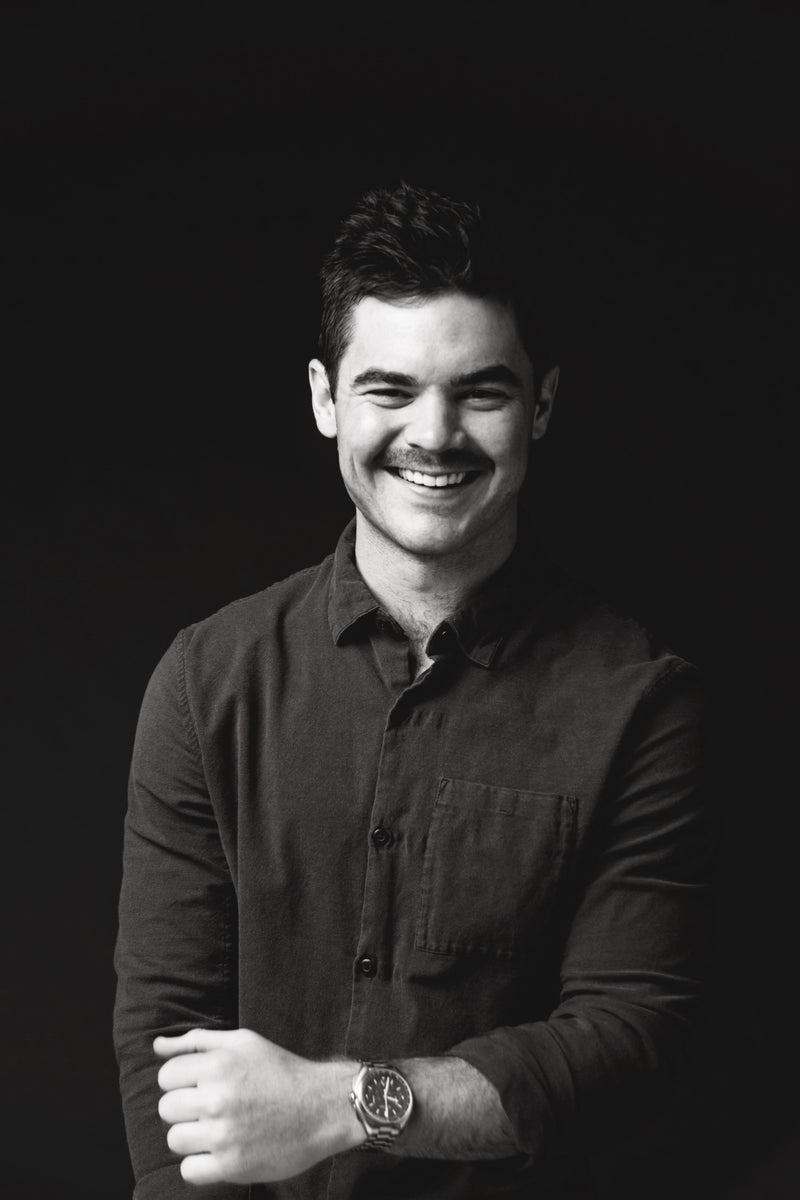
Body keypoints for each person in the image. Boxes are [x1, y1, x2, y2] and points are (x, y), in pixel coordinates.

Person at [113, 182, 710, 1199]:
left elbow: (627, 1042)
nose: (433, 434)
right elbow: (169, 1066)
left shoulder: (642, 705)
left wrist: (346, 1105)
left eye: (481, 392)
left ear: (541, 405)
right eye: (389, 390)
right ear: (324, 400)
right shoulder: (206, 682)